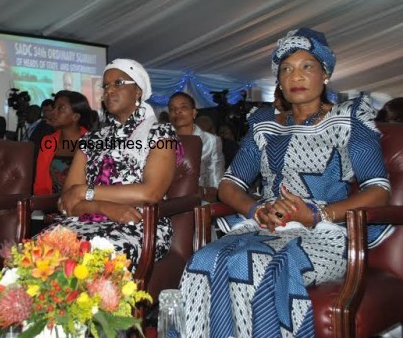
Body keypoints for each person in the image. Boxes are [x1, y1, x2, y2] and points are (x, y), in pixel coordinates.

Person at [180, 28, 391, 338]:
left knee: (250, 264)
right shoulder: (264, 127)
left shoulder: (349, 121)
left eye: (307, 66)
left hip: (326, 233)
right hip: (264, 226)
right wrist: (255, 210)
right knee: (202, 260)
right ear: (279, 81)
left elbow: (378, 191)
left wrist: (318, 214)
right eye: (287, 69)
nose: (296, 76)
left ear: (325, 74)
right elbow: (229, 185)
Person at [56, 58, 182, 268]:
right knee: (37, 256)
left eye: (118, 83)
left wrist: (83, 192)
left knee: (92, 262)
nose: (109, 91)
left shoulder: (160, 134)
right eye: (105, 86)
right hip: (83, 220)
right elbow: (67, 201)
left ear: (138, 91)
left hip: (139, 224)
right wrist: (102, 206)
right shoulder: (91, 140)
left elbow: (149, 193)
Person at [168, 92, 224, 203]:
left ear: (193, 113)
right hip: (166, 200)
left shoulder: (211, 141)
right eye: (172, 109)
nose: (177, 111)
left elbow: (216, 182)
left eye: (183, 107)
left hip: (199, 202)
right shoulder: (160, 140)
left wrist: (201, 192)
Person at [33, 91, 92, 195]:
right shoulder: (48, 141)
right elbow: (40, 182)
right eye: (54, 108)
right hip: (51, 205)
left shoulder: (92, 142)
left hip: (83, 204)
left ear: (75, 117)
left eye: (61, 108)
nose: (53, 112)